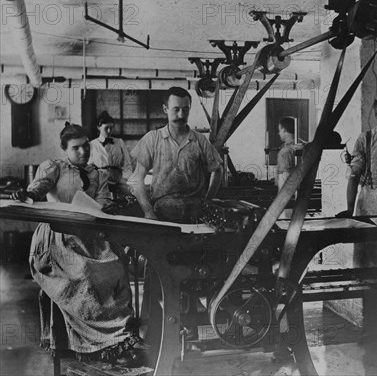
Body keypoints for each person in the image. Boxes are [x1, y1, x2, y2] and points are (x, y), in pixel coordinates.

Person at [11, 124, 142, 365]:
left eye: (85, 146)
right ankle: (98, 344)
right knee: (85, 274)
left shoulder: (98, 174)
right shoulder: (54, 168)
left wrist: (108, 208)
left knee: (115, 267)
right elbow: (38, 189)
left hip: (89, 235)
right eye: (76, 148)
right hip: (57, 237)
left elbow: (102, 204)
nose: (82, 152)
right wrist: (27, 194)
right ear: (65, 149)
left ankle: (120, 337)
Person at [129, 86, 223, 223]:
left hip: (195, 215)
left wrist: (208, 201)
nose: (181, 115)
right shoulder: (152, 139)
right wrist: (148, 211)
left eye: (186, 110)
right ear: (165, 109)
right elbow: (137, 178)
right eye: (176, 109)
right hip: (162, 213)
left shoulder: (200, 140)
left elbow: (218, 169)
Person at [88, 111, 134, 197]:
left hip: (119, 181)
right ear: (98, 127)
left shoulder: (119, 142)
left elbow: (127, 164)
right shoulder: (92, 145)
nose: (109, 131)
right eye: (106, 128)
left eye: (111, 128)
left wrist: (125, 178)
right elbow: (89, 167)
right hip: (100, 182)